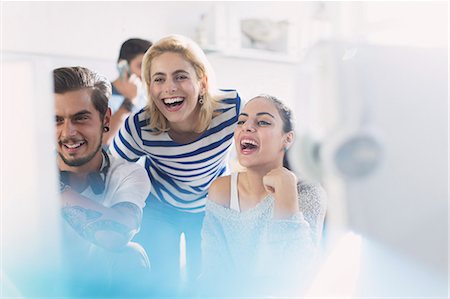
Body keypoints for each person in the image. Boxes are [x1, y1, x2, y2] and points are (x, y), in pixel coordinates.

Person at [110, 34, 241, 295]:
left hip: (209, 207)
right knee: (162, 281)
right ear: (149, 86)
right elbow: (112, 168)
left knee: (204, 279)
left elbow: (258, 142)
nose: (169, 87)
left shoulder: (231, 109)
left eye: (180, 76)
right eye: (159, 79)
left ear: (202, 82)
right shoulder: (140, 126)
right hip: (160, 207)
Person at [200, 94, 327, 296]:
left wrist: (286, 197)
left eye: (263, 122)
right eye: (242, 121)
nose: (247, 127)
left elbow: (300, 274)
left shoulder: (307, 191)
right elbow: (212, 273)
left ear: (287, 139)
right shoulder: (221, 190)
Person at [53, 66, 151, 296]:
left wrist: (53, 189)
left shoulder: (127, 174)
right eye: (56, 120)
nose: (68, 132)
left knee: (131, 256)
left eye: (81, 118)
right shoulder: (21, 173)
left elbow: (115, 236)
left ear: (105, 118)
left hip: (95, 285)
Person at [103, 38, 152, 145]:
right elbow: (105, 139)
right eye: (140, 66)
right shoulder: (100, 96)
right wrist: (130, 100)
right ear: (122, 66)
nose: (146, 73)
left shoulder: (147, 98)